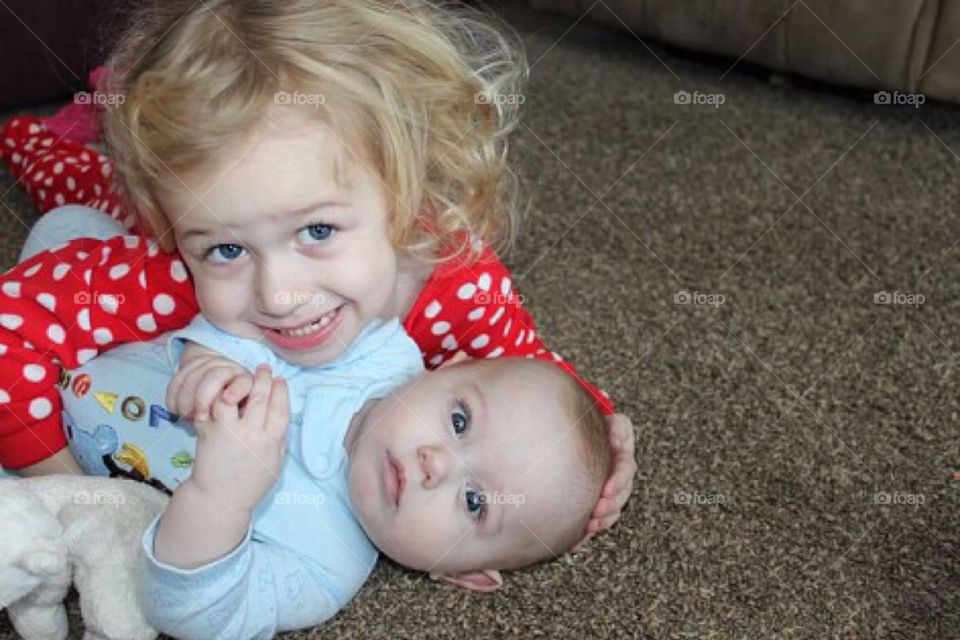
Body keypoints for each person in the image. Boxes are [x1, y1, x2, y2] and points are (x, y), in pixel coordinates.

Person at [0, 0, 635, 540]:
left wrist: (601, 431)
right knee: (94, 194)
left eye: (318, 231)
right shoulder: (168, 269)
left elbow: (530, 377)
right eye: (226, 250)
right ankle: (36, 138)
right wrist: (73, 496)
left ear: (405, 190)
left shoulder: (454, 270)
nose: (279, 295)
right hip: (134, 209)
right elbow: (9, 328)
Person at [58, 309, 611, 637]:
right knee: (74, 235)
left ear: (461, 574)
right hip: (98, 333)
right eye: (459, 420)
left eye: (474, 502)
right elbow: (258, 304)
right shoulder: (373, 348)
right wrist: (210, 360)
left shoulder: (324, 570)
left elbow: (192, 613)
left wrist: (219, 499)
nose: (436, 464)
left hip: (44, 466)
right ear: (450, 368)